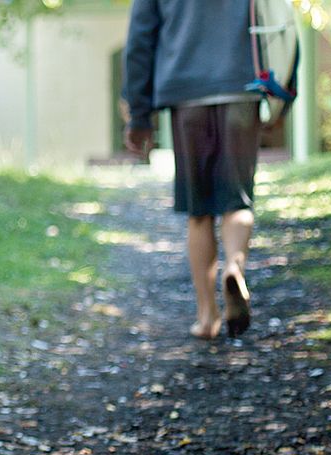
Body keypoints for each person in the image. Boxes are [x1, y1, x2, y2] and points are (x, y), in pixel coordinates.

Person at [122, 0, 257, 339]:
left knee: (199, 212)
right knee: (237, 201)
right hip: (241, 87)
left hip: (186, 94)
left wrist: (139, 114)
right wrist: (287, 88)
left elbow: (141, 39)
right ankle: (234, 267)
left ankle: (207, 315)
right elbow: (277, 18)